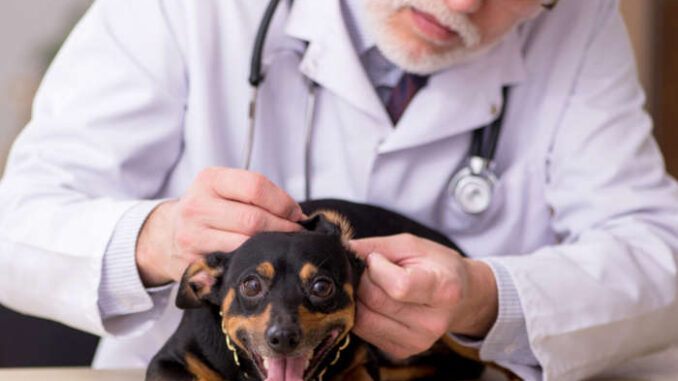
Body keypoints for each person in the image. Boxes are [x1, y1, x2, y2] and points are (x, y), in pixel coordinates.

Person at [1, 0, 677, 379]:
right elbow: (17, 222)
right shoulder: (187, 9)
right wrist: (157, 237)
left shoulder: (580, 24)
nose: (463, 2)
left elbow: (660, 254)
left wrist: (487, 297)